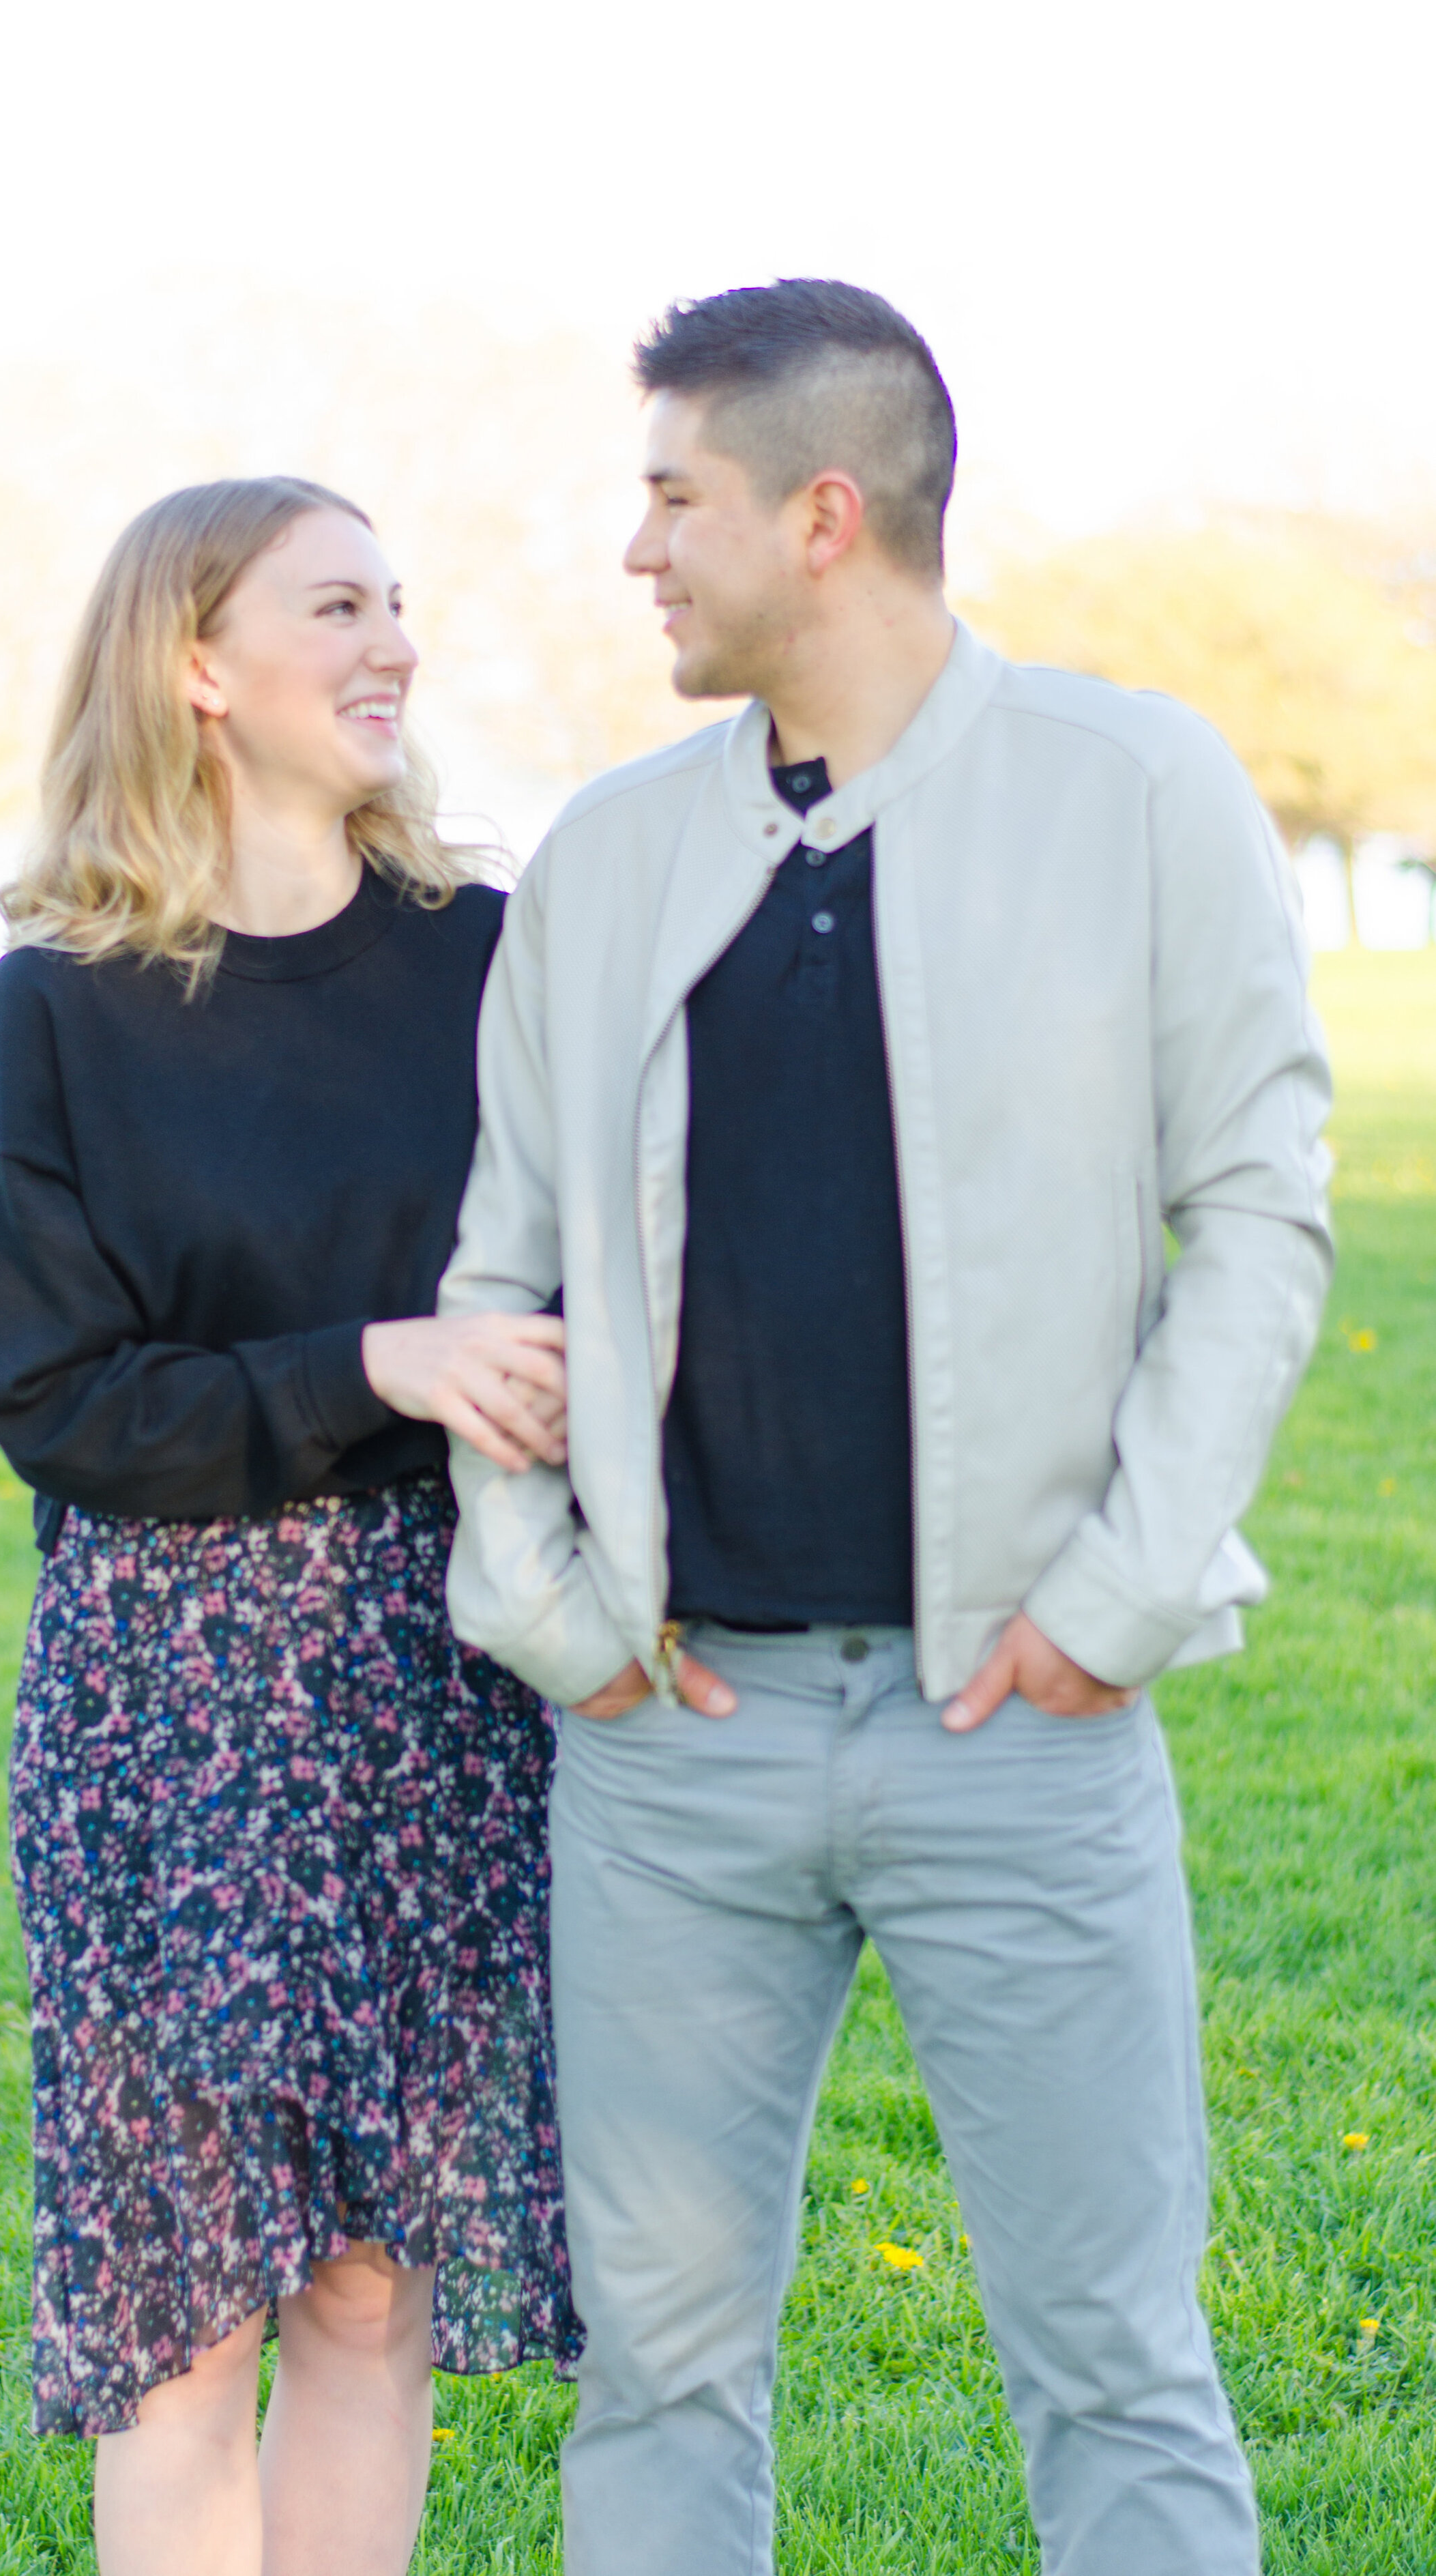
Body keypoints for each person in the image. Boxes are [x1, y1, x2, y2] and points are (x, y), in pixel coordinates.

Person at [439, 280, 1332, 2576]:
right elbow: (500, 1274)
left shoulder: (1135, 792)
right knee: (654, 2382)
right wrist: (558, 1620)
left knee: (1115, 2362)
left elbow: (1252, 1215)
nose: (634, 550)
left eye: (670, 497)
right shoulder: (610, 857)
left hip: (1018, 1731)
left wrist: (1117, 1602)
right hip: (669, 1742)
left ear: (820, 513)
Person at [0, 476, 581, 2576]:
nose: (394, 640)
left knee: (370, 2287)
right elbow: (59, 1407)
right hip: (166, 1708)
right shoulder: (57, 1004)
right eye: (340, 605)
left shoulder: (491, 963)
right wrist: (372, 1370)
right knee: (186, 2315)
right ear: (198, 667)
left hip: (440, 1692)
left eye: (402, 601)